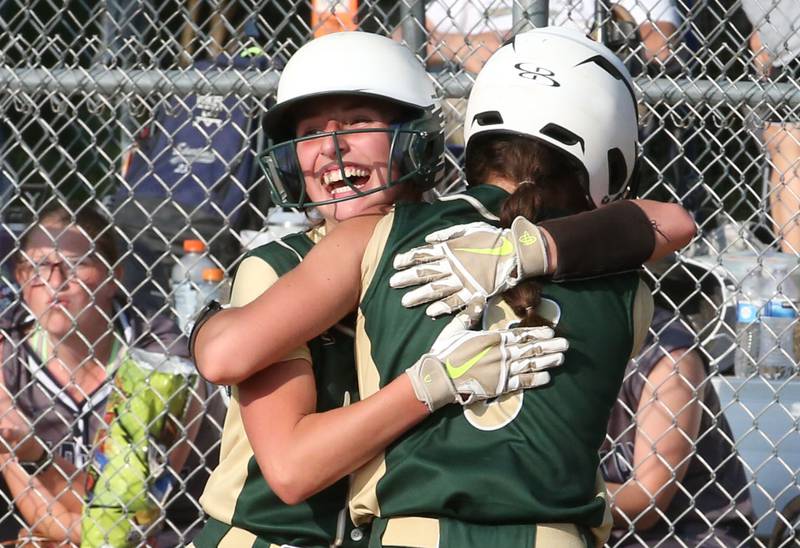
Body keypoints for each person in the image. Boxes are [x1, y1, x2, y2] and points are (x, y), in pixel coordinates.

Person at [194, 28, 696, 547]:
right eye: (311, 132)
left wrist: (522, 250)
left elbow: (668, 223)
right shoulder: (283, 264)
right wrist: (429, 385)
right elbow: (289, 463)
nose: (332, 148)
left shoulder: (447, 239)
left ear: (418, 135)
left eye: (359, 122)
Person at [0, 202, 224, 546]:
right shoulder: (6, 350)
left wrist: (36, 455)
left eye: (77, 264)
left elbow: (132, 523)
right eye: (40, 265)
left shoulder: (161, 357)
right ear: (19, 276)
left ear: (112, 277)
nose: (56, 282)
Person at [602, 307, 753, 546]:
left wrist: (535, 488)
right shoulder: (543, 340)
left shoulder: (666, 353)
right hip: (596, 530)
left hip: (684, 535)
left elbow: (646, 504)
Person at [425, 0, 682, 75]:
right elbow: (406, 37)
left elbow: (659, 46)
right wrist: (461, 46)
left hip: (581, 87)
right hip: (487, 88)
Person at [742, 0, 800, 254]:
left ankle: (795, 276)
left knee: (788, 147)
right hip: (786, 44)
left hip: (788, 45)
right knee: (787, 146)